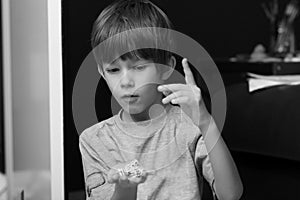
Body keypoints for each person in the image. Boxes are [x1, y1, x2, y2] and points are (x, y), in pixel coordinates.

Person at [79, 0, 243, 199]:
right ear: (102, 73)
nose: (126, 82)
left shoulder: (188, 127)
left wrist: (206, 123)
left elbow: (231, 195)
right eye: (113, 70)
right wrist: (126, 188)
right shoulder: (94, 139)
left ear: (165, 67)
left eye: (138, 67)